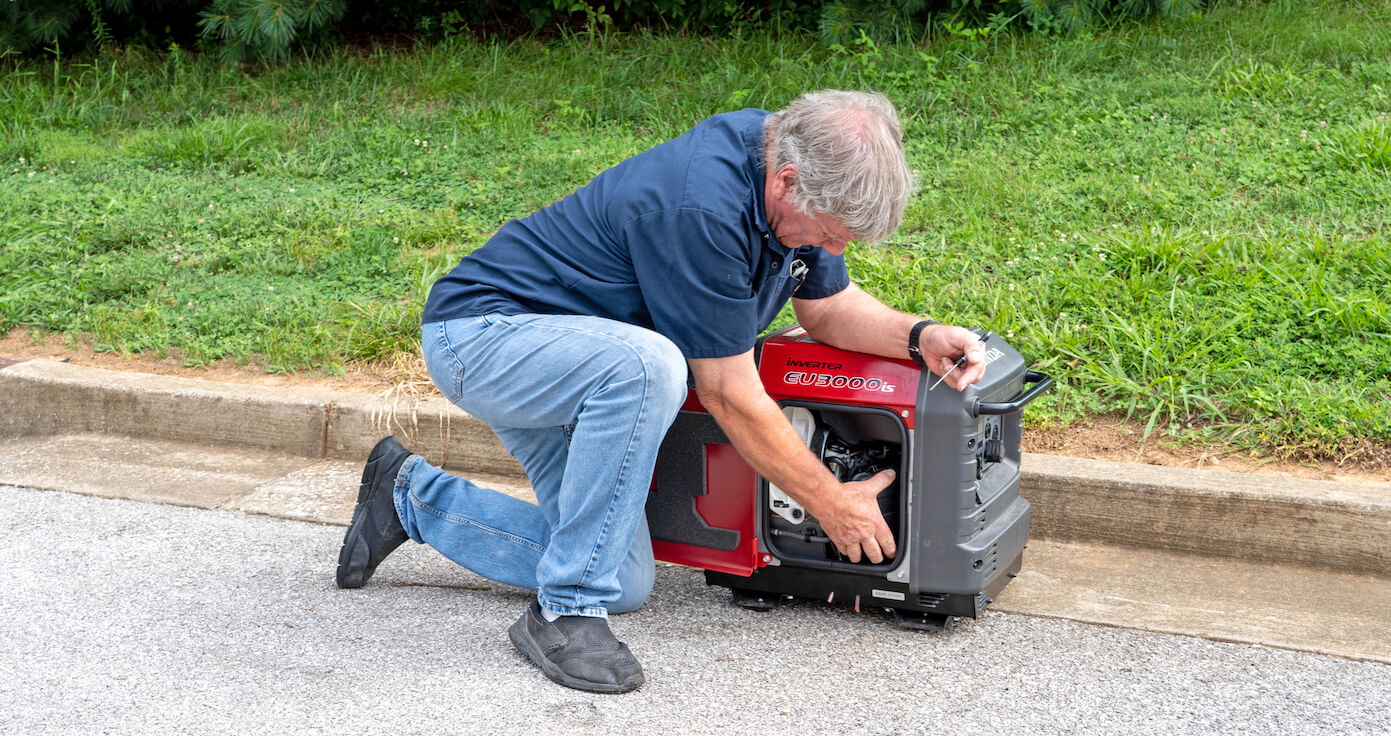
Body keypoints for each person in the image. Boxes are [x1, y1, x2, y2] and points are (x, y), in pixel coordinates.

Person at [334, 90, 988, 694]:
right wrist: (831, 503)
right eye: (832, 233)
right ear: (786, 181)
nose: (833, 247)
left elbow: (828, 307)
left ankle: (411, 498)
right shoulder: (702, 205)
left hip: (585, 367)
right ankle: (563, 612)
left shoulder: (796, 174)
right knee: (653, 368)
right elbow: (730, 392)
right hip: (483, 336)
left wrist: (918, 334)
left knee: (624, 578)